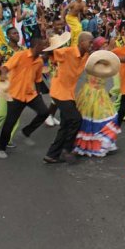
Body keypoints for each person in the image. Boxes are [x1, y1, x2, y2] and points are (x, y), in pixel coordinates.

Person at [0, 37, 51, 159]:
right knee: (10, 122)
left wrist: (39, 94)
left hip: (31, 94)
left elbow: (38, 79)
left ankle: (26, 132)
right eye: (44, 45)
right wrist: (3, 74)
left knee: (45, 112)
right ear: (36, 46)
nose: (46, 48)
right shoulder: (20, 55)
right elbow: (5, 67)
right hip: (15, 94)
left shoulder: (40, 61)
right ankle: (0, 148)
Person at [44, 32, 93, 164]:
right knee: (76, 119)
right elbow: (49, 54)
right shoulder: (67, 51)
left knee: (65, 124)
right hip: (59, 92)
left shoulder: (86, 56)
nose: (91, 45)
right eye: (90, 42)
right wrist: (49, 46)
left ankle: (52, 155)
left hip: (69, 94)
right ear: (81, 42)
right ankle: (66, 149)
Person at [73, 37, 121, 157]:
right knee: (99, 118)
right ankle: (98, 144)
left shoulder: (103, 58)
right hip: (91, 93)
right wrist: (109, 48)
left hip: (100, 93)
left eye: (106, 45)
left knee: (108, 117)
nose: (105, 48)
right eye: (103, 46)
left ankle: (106, 143)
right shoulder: (94, 59)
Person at [0, 26, 26, 146]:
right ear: (8, 36)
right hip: (4, 84)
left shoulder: (23, 49)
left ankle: (7, 140)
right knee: (3, 112)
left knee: (15, 116)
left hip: (18, 85)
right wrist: (4, 70)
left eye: (17, 33)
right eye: (14, 33)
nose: (17, 35)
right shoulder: (3, 48)